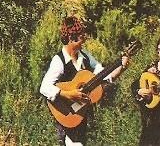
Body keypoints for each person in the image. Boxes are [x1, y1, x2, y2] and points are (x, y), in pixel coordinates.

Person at [39, 16, 130, 146]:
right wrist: (68, 94)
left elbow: (103, 75)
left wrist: (122, 66)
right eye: (81, 37)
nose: (84, 40)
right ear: (71, 38)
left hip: (82, 116)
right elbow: (44, 87)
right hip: (66, 113)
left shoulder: (85, 57)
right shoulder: (59, 60)